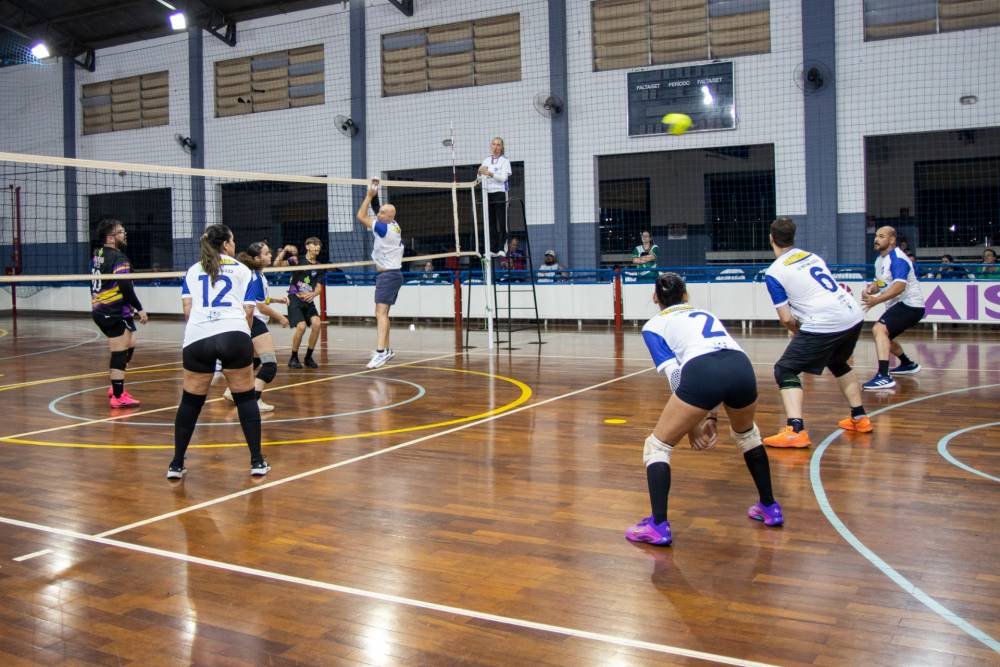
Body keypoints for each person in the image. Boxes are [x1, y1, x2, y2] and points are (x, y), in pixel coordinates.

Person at [625, 272, 782, 546]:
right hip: (741, 366)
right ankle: (769, 507)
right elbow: (718, 363)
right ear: (686, 295)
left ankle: (658, 526)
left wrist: (692, 425)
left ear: (655, 298)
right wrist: (710, 416)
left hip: (702, 372)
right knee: (747, 435)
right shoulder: (704, 313)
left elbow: (676, 375)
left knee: (657, 446)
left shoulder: (653, 326)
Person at [168, 224, 268, 479]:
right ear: (225, 244)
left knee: (190, 402)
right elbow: (249, 311)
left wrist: (204, 328)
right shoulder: (244, 270)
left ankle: (176, 465)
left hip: (198, 336)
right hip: (233, 333)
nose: (235, 245)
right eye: (232, 241)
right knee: (245, 398)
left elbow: (187, 310)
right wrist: (241, 338)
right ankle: (257, 461)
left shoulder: (193, 270)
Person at [761, 217, 870, 448]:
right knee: (838, 361)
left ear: (771, 239)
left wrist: (798, 331)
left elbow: (786, 318)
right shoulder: (812, 256)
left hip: (825, 321)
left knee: (785, 369)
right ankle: (860, 417)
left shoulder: (774, 272)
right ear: (793, 237)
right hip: (852, 313)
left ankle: (795, 430)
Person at [220, 242, 289, 413]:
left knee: (254, 360)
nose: (270, 255)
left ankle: (231, 391)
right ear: (257, 258)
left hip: (249, 321)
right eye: (266, 253)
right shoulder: (254, 277)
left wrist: (276, 300)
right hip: (255, 321)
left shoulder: (256, 274)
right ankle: (255, 400)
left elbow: (261, 299)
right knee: (270, 365)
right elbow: (260, 306)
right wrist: (280, 317)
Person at [90, 218, 148, 408]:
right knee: (119, 352)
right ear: (110, 238)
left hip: (105, 310)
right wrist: (139, 308)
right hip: (112, 311)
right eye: (121, 232)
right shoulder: (119, 258)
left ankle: (116, 384)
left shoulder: (98, 253)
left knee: (130, 343)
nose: (125, 234)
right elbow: (125, 285)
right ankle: (117, 395)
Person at [861, 226, 926, 389]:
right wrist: (871, 289)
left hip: (910, 305)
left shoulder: (898, 258)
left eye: (881, 236)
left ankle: (884, 376)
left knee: (879, 329)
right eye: (876, 236)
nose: (876, 239)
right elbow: (881, 283)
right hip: (900, 304)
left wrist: (876, 300)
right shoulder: (879, 260)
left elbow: (899, 287)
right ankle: (907, 364)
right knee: (884, 336)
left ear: (892, 240)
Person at [357, 178, 405, 369]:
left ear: (387, 216)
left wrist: (369, 196)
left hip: (388, 276)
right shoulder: (394, 224)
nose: (378, 214)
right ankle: (387, 349)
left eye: (381, 213)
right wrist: (376, 189)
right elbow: (379, 210)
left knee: (380, 314)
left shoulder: (383, 228)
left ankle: (380, 352)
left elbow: (360, 216)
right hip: (393, 274)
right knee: (383, 314)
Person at [279, 237, 325, 369]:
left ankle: (308, 357)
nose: (317, 247)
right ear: (307, 246)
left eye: (319, 245)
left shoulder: (319, 266)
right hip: (294, 298)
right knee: (302, 327)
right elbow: (278, 264)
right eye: (314, 244)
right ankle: (293, 357)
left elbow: (319, 287)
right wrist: (285, 250)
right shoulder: (297, 260)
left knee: (317, 323)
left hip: (308, 300)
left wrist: (314, 294)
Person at [478, 136, 512, 255]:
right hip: (488, 193)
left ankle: (502, 248)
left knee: (502, 222)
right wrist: (480, 172)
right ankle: (493, 248)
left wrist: (490, 173)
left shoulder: (505, 161)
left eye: (498, 145)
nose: (496, 147)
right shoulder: (486, 160)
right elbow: (479, 177)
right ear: (491, 146)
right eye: (494, 144)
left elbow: (503, 178)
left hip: (500, 193)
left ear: (502, 147)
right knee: (490, 222)